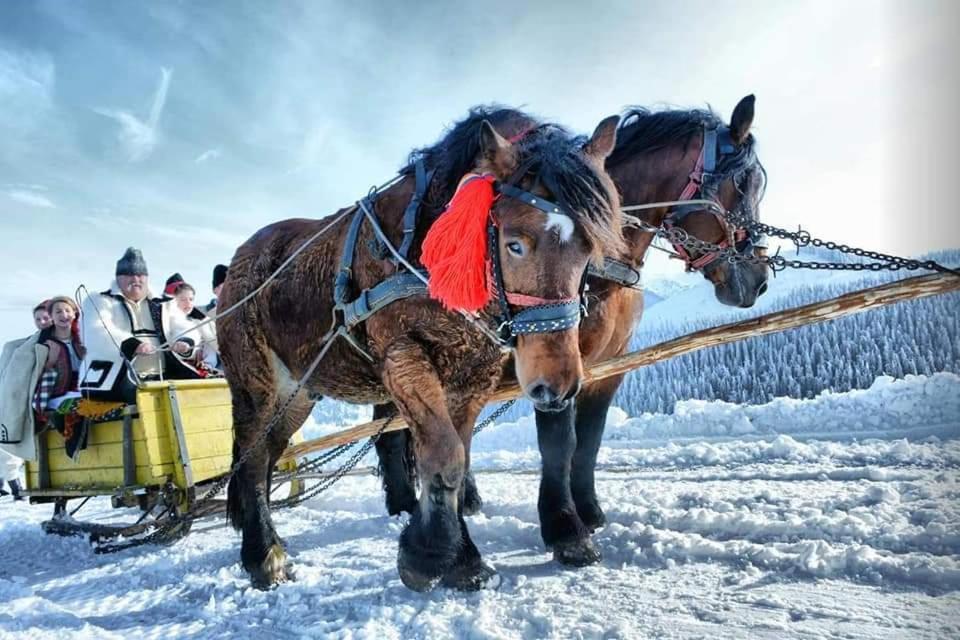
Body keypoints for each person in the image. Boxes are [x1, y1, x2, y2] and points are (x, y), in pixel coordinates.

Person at [78, 247, 201, 403]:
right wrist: (133, 345)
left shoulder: (164, 305)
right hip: (118, 380)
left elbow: (183, 327)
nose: (136, 279)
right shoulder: (99, 301)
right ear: (118, 278)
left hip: (164, 375)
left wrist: (185, 341)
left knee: (196, 394)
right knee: (139, 399)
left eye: (140, 275)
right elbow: (96, 331)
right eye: (129, 275)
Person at [164, 274, 220, 371]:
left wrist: (199, 349)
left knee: (209, 341)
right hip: (175, 359)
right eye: (183, 299)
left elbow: (211, 337)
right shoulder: (165, 315)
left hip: (198, 360)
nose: (188, 303)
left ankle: (207, 367)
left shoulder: (198, 317)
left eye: (190, 299)